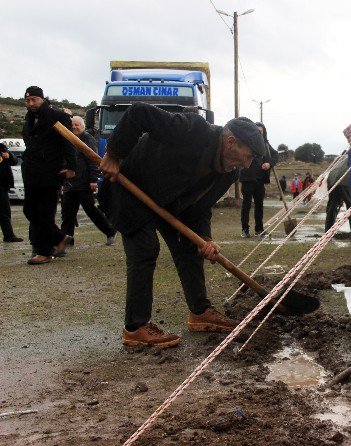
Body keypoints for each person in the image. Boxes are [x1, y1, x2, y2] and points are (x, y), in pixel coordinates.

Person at [98, 102, 266, 348]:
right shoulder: (193, 129)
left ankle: (200, 312)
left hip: (170, 204)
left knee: (190, 248)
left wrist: (205, 240)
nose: (248, 164)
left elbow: (199, 207)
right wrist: (114, 155)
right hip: (130, 188)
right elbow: (138, 113)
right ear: (231, 142)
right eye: (248, 155)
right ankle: (136, 328)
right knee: (145, 249)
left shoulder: (228, 173)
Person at [21, 86, 76, 265]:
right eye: (27, 100)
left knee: (45, 213)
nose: (30, 103)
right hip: (31, 172)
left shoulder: (57, 116)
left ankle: (44, 252)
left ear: (42, 99)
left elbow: (69, 141)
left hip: (50, 171)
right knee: (29, 210)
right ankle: (59, 237)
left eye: (34, 100)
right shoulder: (28, 119)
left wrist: (70, 167)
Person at [60, 116, 116, 246]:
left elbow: (93, 160)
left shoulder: (87, 138)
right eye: (72, 124)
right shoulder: (67, 140)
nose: (74, 127)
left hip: (84, 182)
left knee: (91, 210)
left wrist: (93, 180)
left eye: (77, 125)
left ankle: (110, 231)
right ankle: (67, 240)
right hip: (70, 183)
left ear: (82, 126)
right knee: (67, 213)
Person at [239, 122, 279, 237]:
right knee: (246, 205)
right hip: (247, 179)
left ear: (263, 132)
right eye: (256, 131)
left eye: (261, 131)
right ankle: (245, 230)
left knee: (259, 205)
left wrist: (269, 163)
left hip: (260, 180)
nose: (259, 133)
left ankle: (259, 229)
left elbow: (276, 155)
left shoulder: (266, 144)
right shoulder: (245, 143)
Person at [325, 154, 351, 236]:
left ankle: (328, 230)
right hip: (345, 181)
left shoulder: (341, 158)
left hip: (332, 181)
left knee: (332, 206)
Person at [0, 142, 23, 242]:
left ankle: (8, 235)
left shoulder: (1, 148)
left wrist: (8, 156)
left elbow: (14, 161)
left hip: (2, 185)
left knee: (5, 211)